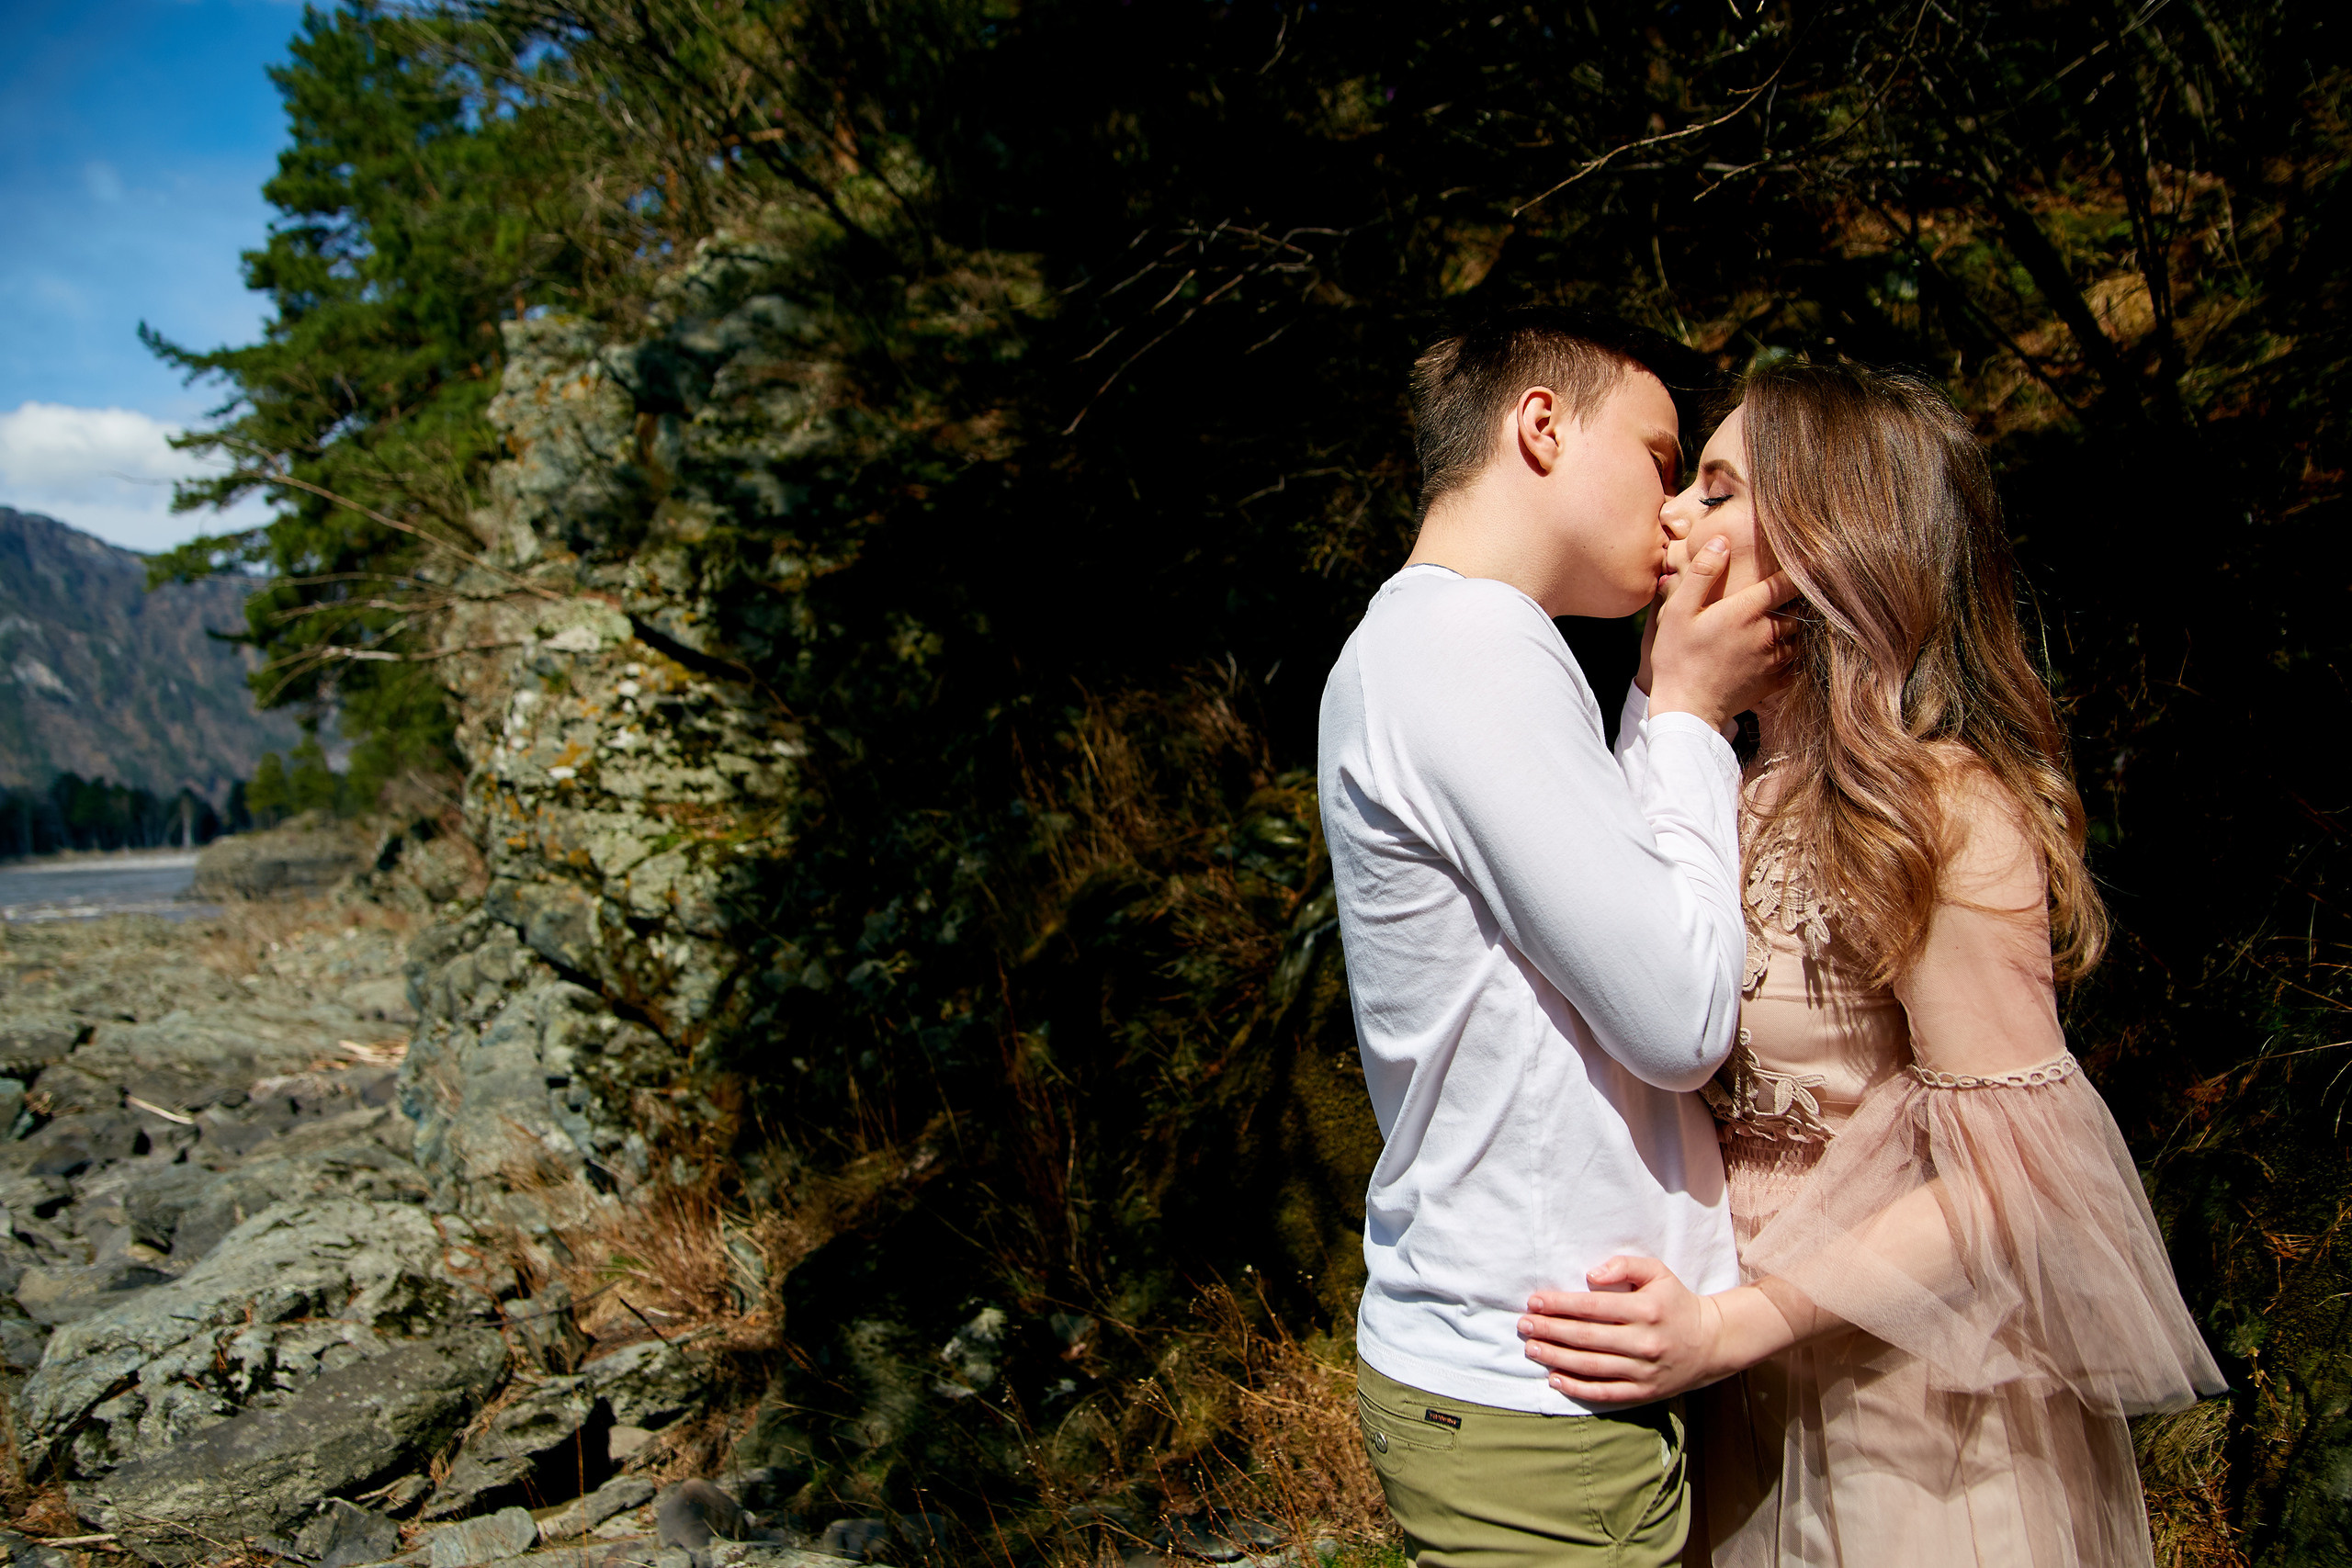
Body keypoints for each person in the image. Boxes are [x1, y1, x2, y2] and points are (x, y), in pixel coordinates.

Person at [1513, 362, 2226, 1566]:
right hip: (1739, 1407)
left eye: (1722, 490)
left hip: (1916, 1414)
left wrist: (1730, 1326)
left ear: (1831, 544)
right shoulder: (1711, 789)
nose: (1676, 516)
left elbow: (2021, 1182)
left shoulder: (1934, 807)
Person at [1317, 307, 1793, 1567]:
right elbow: (1681, 1017)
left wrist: (1658, 704)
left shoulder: (1462, 649)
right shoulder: (1461, 650)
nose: (1677, 508)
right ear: (1540, 426)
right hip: (1532, 1395)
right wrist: (1687, 709)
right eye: (1657, 457)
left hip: (1540, 1373)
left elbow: (1616, 928)